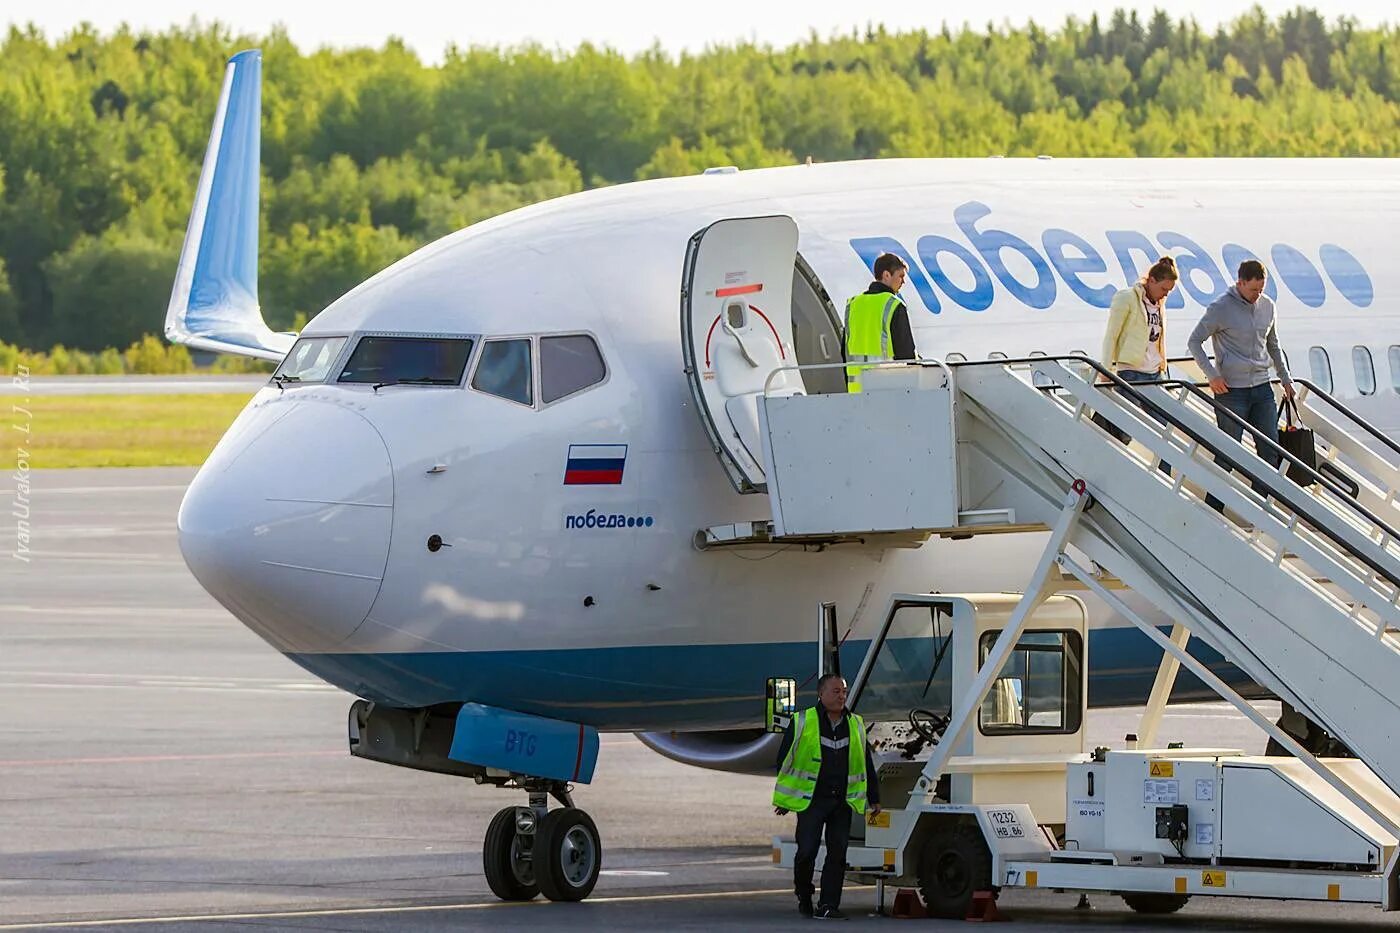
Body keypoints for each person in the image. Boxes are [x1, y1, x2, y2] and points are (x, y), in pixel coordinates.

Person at [1187, 259, 1297, 512]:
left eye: (1261, 290)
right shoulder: (1221, 308)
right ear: (1240, 283)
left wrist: (1285, 377)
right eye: (1252, 290)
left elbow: (1273, 344)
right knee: (1228, 453)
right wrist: (1212, 375)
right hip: (1231, 392)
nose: (1257, 295)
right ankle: (1213, 508)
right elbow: (1195, 342)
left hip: (1261, 388)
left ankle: (1260, 509)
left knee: (1269, 451)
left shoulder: (1268, 307)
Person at [774, 673, 881, 920]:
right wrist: (786, 799)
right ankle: (803, 892)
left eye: (844, 691)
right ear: (821, 694)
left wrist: (874, 797)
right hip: (812, 800)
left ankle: (828, 905)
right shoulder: (803, 721)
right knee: (806, 852)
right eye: (836, 691)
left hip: (841, 801)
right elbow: (785, 761)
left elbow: (865, 764)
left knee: (838, 854)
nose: (841, 696)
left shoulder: (855, 724)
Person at [1096, 256, 1180, 473]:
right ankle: (1109, 468)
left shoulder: (1159, 303)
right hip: (1132, 372)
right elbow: (1111, 336)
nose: (1165, 294)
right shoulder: (1126, 298)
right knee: (1124, 428)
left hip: (1155, 374)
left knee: (1165, 429)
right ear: (1150, 280)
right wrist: (1105, 371)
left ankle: (1165, 476)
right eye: (1163, 288)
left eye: (1169, 291)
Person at [844, 252, 916, 393]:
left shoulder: (852, 305)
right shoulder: (893, 305)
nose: (903, 281)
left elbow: (844, 350)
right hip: (887, 390)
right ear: (886, 275)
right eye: (900, 276)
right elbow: (906, 353)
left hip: (855, 391)